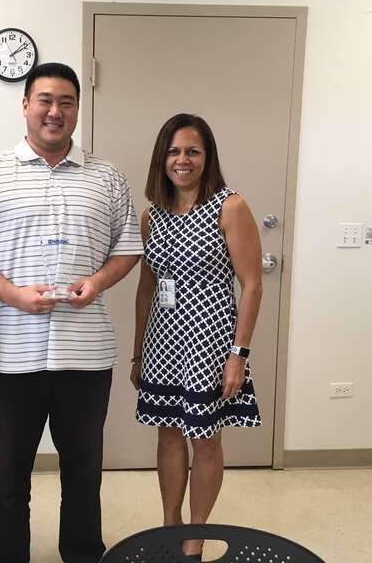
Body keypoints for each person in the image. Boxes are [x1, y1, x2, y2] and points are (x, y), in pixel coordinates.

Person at [0, 62, 143, 563]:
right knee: (10, 477)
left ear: (78, 108)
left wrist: (97, 282)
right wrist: (14, 295)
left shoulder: (107, 178)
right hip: (11, 356)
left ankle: (82, 554)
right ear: (26, 105)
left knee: (84, 474)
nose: (55, 112)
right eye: (45, 101)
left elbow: (127, 249)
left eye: (67, 102)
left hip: (86, 355)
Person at [130, 113, 263, 561]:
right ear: (161, 158)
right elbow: (147, 288)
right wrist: (137, 353)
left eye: (192, 151)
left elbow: (252, 284)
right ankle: (171, 522)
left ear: (207, 157)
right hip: (163, 340)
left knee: (205, 438)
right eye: (174, 151)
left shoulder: (230, 206)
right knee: (168, 434)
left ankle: (197, 534)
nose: (182, 160)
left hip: (209, 339)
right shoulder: (153, 216)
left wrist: (238, 355)